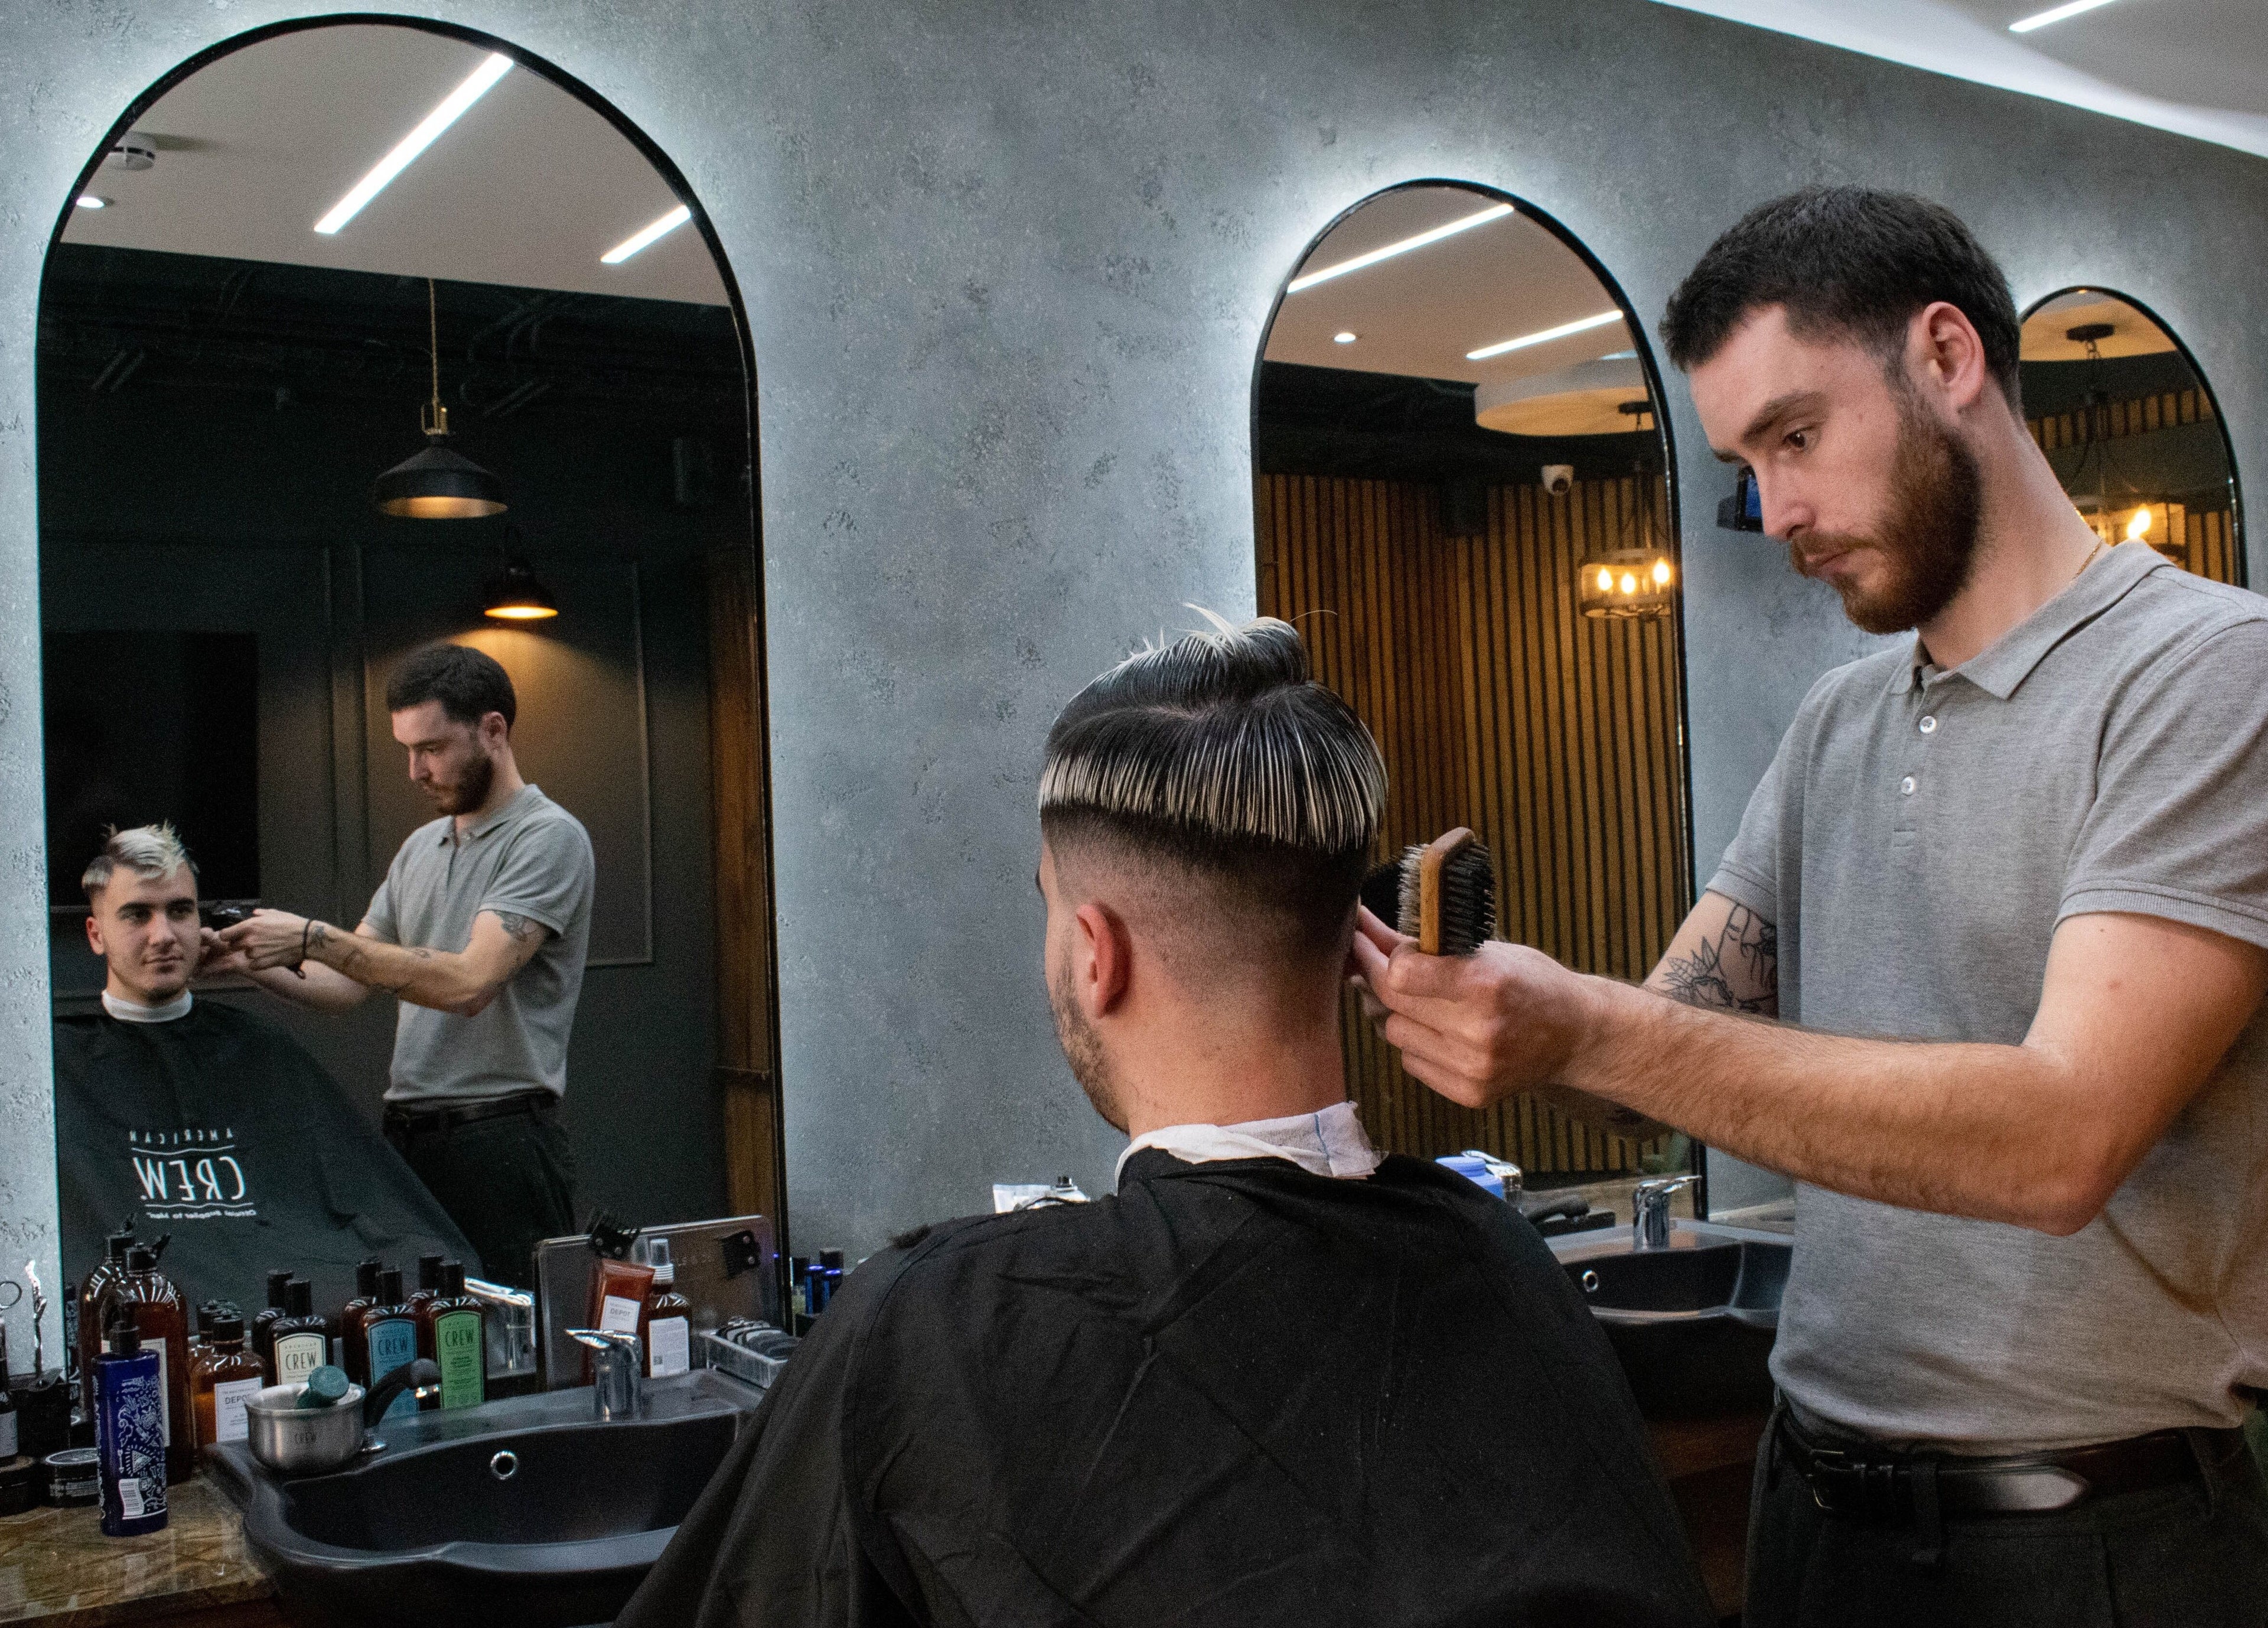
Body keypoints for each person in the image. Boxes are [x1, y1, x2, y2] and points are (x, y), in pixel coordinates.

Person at [1352, 187, 2268, 1623]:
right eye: (1745, 461)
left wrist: (1585, 1029)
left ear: (1947, 357)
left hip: (2089, 1541)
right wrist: (1488, 1003)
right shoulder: (1836, 725)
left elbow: (2060, 1137)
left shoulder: (2206, 678)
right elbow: (1655, 1061)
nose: (1771, 512)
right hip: (1810, 1519)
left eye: (1794, 437)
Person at [619, 616, 1712, 1628]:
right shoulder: (1503, 1256)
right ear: (1351, 936)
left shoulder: (935, 1327)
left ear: (1097, 955)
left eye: (1048, 905)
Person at [211, 643, 594, 1287]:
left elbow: (471, 981)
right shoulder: (422, 846)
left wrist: (309, 935)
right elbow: (343, 984)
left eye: (432, 748)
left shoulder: (548, 837)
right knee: (422, 1332)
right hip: (409, 1140)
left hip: (499, 1142)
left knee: (512, 1344)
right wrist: (239, 956)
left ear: (493, 730)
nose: (415, 769)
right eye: (406, 750)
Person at [54, 823, 472, 1312]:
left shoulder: (256, 1047)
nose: (163, 934)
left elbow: (356, 1196)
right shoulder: (58, 1066)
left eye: (180, 911)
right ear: (96, 934)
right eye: (137, 915)